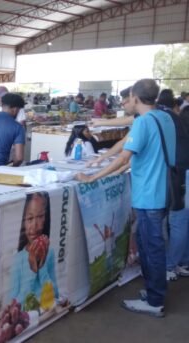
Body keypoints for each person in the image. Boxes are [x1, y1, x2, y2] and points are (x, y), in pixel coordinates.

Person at [76, 79, 174, 317]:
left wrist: (92, 178)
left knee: (151, 247)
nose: (125, 103)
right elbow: (129, 149)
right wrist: (102, 160)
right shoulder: (165, 118)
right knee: (147, 243)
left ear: (136, 97)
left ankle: (155, 300)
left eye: (127, 98)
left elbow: (124, 157)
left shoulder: (145, 123)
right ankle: (153, 291)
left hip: (149, 195)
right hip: (162, 191)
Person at [9, 192, 59, 307]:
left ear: (46, 218)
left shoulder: (49, 252)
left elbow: (55, 294)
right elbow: (16, 304)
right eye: (29, 218)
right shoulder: (18, 259)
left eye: (40, 216)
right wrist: (32, 270)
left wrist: (41, 267)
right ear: (23, 222)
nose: (35, 226)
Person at [166, 106, 189, 281]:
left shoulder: (180, 136)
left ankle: (171, 265)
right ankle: (182, 262)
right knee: (184, 223)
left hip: (182, 180)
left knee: (178, 223)